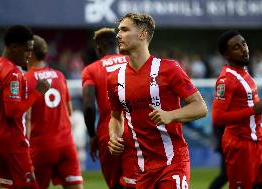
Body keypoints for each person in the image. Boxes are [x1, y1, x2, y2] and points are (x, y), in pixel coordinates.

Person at [107, 12, 208, 189]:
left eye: (124, 30)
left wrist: (171, 115)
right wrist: (114, 135)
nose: (118, 35)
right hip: (140, 167)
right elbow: (115, 117)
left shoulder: (169, 69)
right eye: (118, 30)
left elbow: (200, 107)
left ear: (142, 34)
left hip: (173, 162)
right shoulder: (115, 78)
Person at [0, 25, 50, 189]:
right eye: (27, 50)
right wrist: (37, 93)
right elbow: (13, 112)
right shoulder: (13, 74)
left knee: (9, 184)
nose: (29, 55)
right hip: (10, 141)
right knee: (30, 185)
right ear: (14, 48)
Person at [25, 35, 83, 189]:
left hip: (40, 147)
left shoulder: (25, 79)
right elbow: (69, 110)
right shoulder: (60, 75)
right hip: (66, 144)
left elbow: (25, 117)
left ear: (29, 54)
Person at [82, 27, 136, 189]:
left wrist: (92, 135)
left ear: (98, 48)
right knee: (138, 183)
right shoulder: (134, 62)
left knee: (116, 185)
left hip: (109, 134)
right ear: (119, 44)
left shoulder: (90, 70)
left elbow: (89, 106)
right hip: (137, 131)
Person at [212, 30, 262, 189]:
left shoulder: (244, 73)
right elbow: (218, 117)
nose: (244, 49)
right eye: (236, 47)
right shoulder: (226, 80)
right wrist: (254, 110)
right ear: (227, 55)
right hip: (240, 145)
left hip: (256, 141)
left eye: (244, 44)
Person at [208, 125, 228, 189]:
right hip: (226, 146)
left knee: (226, 175)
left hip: (225, 146)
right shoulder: (220, 117)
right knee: (225, 175)